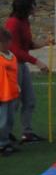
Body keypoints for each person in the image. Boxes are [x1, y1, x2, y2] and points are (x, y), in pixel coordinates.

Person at [4, 0, 49, 143]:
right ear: (27, 6)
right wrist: (37, 62)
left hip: (21, 65)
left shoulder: (25, 22)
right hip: (12, 66)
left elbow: (27, 45)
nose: (35, 7)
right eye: (33, 4)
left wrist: (44, 43)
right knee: (13, 101)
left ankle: (27, 133)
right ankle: (5, 134)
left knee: (29, 100)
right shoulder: (13, 23)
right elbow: (14, 49)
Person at [0, 28, 20, 157]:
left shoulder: (12, 56)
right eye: (5, 42)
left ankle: (6, 141)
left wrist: (17, 86)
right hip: (2, 94)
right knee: (2, 121)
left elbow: (14, 74)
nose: (8, 44)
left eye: (9, 41)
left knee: (9, 120)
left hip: (11, 93)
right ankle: (2, 144)